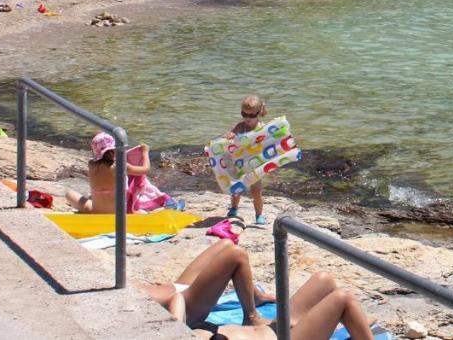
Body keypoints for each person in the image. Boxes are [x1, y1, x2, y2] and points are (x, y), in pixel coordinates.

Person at [137, 239, 376, 340]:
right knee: (344, 299)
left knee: (324, 279)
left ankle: (356, 325)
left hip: (273, 327)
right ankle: (355, 325)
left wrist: (178, 324)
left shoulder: (188, 334)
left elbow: (178, 299)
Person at [65, 132, 148, 214]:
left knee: (69, 194)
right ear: (113, 150)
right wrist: (145, 152)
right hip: (119, 214)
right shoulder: (120, 165)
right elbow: (145, 170)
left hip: (96, 211)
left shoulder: (91, 164)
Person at [226, 96, 269, 225]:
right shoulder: (240, 126)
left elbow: (270, 146)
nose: (248, 118)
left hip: (256, 166)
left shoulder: (263, 128)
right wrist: (230, 135)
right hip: (239, 164)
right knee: (236, 189)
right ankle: (234, 208)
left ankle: (259, 215)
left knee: (256, 193)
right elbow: (229, 137)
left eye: (252, 115)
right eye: (244, 114)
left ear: (259, 113)